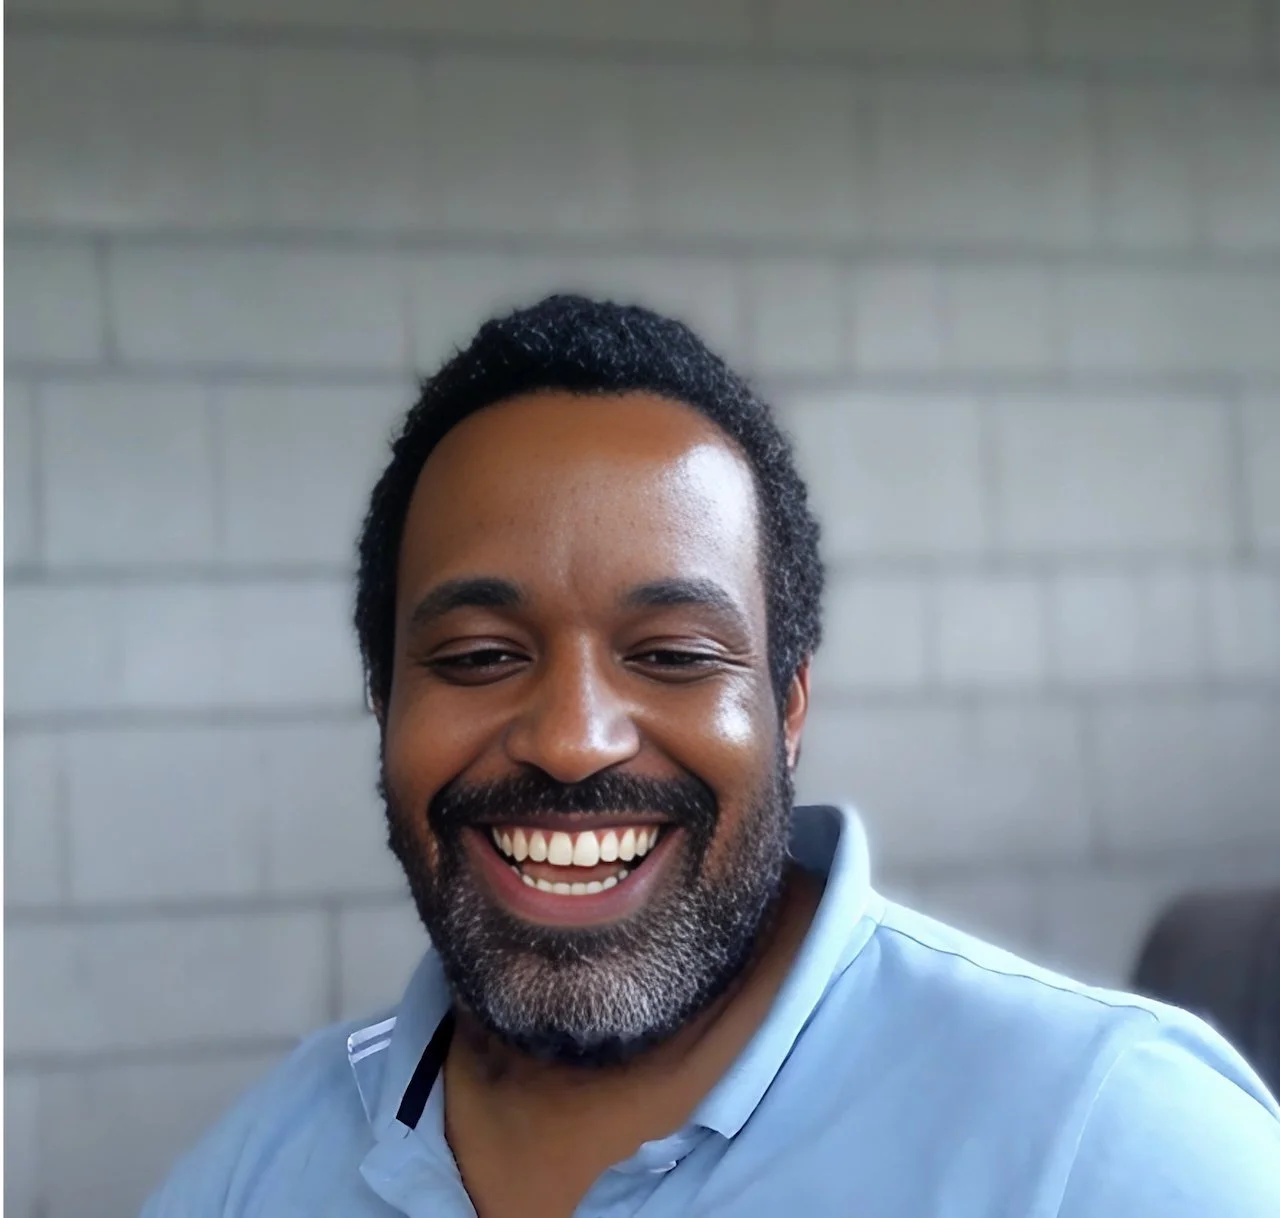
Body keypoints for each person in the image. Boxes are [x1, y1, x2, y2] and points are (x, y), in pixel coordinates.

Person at [143, 296, 1280, 1217]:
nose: (572, 741)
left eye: (672, 654)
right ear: (384, 702)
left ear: (788, 706)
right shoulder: (262, 1165)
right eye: (482, 656)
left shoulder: (1111, 1143)